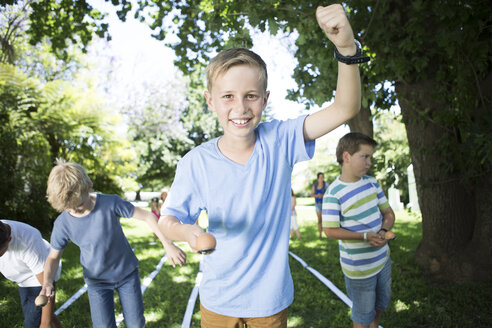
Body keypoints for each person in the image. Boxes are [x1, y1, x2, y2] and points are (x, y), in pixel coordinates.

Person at [158, 4, 363, 326]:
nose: (240, 107)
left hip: (269, 302)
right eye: (227, 96)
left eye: (250, 96)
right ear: (210, 100)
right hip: (217, 299)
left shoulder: (280, 140)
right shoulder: (195, 162)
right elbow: (168, 220)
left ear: (265, 99)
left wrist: (346, 48)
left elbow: (345, 108)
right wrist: (189, 232)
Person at [40, 160, 186, 328]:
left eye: (78, 206)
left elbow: (147, 216)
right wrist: (47, 282)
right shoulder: (63, 224)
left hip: (126, 274)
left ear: (89, 186)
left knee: (136, 324)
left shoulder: (110, 203)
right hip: (97, 281)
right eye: (68, 209)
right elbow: (53, 257)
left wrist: (168, 245)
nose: (74, 211)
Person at [322, 132, 395, 328]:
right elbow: (329, 230)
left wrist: (383, 231)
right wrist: (364, 236)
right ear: (346, 157)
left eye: (370, 157)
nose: (369, 162)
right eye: (365, 156)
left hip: (382, 260)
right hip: (359, 269)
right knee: (362, 314)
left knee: (382, 302)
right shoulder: (334, 193)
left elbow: (388, 214)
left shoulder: (372, 183)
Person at [0, 220, 62, 328]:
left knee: (33, 324)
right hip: (21, 278)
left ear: (9, 240)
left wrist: (45, 324)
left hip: (39, 275)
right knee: (38, 315)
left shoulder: (27, 240)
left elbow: (46, 286)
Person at [311, 172, 328, 238]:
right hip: (317, 205)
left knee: (325, 220)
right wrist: (317, 195)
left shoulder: (326, 184)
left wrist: (322, 195)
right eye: (320, 177)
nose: (322, 178)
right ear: (318, 178)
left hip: (324, 204)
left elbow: (328, 194)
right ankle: (320, 234)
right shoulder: (315, 186)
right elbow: (311, 194)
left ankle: (327, 234)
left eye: (322, 177)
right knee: (319, 220)